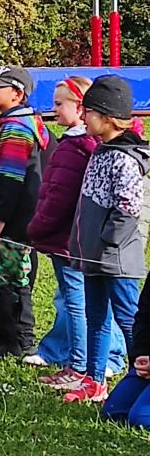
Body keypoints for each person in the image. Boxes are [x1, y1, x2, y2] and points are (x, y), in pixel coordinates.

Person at [29, 77, 125, 391]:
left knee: (80, 304)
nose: (54, 109)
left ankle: (83, 365)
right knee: (79, 302)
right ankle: (82, 365)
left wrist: (37, 227)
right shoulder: (77, 144)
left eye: (60, 104)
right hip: (73, 239)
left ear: (83, 107)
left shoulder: (80, 147)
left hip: (73, 241)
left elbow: (61, 197)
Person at [64, 75, 150, 403]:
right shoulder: (101, 151)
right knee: (96, 317)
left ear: (108, 117)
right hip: (94, 256)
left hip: (117, 259)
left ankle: (140, 379)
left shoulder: (125, 157)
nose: (83, 117)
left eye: (88, 112)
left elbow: (129, 207)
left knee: (130, 319)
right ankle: (94, 379)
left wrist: (107, 242)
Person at [0, 65, 49, 362]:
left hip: (12, 223)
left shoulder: (16, 127)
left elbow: (11, 179)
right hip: (2, 216)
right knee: (0, 278)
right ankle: (6, 337)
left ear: (17, 94)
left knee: (6, 280)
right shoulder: (6, 122)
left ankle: (15, 340)